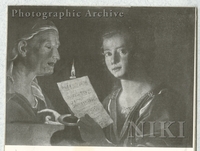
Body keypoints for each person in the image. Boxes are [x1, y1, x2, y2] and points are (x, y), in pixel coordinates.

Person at [78, 21, 187, 147]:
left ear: (139, 52)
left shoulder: (165, 100)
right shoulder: (109, 103)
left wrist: (100, 142)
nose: (113, 60)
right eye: (108, 53)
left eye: (122, 51)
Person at [6, 19, 61, 124]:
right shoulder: (5, 93)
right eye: (48, 47)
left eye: (56, 47)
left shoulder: (41, 98)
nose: (57, 56)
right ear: (23, 48)